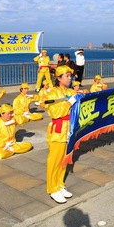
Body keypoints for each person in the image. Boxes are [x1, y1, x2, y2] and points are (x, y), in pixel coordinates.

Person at [45, 65, 77, 203]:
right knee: (55, 160)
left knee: (65, 159)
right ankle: (52, 188)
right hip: (58, 130)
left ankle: (60, 184)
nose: (70, 78)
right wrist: (68, 104)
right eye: (67, 76)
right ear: (59, 78)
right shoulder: (52, 94)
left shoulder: (71, 91)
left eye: (70, 76)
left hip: (69, 129)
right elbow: (55, 112)